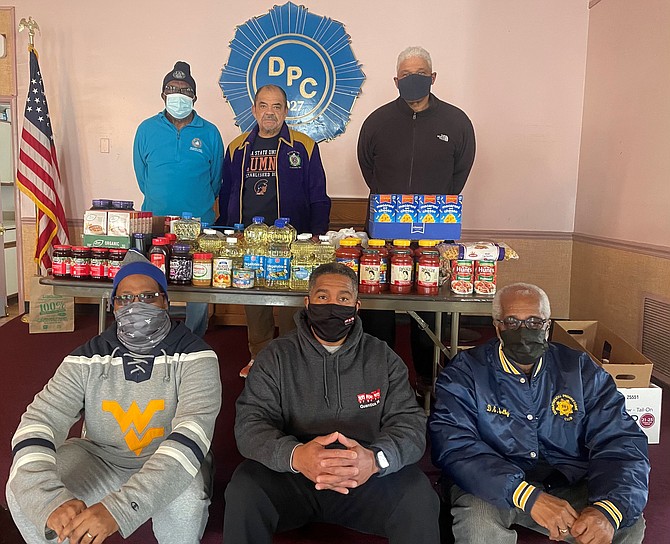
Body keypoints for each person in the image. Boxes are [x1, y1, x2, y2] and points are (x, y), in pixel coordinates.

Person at [6, 253, 222, 544]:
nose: (136, 306)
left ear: (166, 303)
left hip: (167, 460)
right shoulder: (86, 357)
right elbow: (39, 421)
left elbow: (191, 437)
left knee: (187, 500)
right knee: (22, 491)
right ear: (113, 305)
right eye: (125, 299)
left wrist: (120, 509)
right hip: (100, 457)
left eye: (148, 296)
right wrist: (48, 500)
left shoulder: (198, 356)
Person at [223, 262, 440, 543]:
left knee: (418, 494)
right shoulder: (275, 356)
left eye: (343, 299)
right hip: (294, 474)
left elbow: (410, 424)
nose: (332, 306)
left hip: (364, 476)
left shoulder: (382, 357)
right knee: (244, 488)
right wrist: (295, 456)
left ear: (357, 306)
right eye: (323, 297)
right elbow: (250, 425)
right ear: (307, 302)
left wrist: (375, 460)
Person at [428, 283, 649, 544]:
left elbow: (620, 441)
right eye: (512, 322)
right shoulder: (465, 373)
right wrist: (526, 496)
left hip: (568, 480)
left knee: (625, 525)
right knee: (478, 526)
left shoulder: (579, 370)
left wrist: (607, 510)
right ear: (497, 325)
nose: (524, 331)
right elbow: (454, 446)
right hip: (492, 487)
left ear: (547, 325)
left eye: (534, 321)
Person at [357, 46, 476, 392]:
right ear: (396, 80)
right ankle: (381, 380)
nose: (414, 80)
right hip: (384, 235)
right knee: (378, 308)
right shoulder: (376, 122)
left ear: (433, 78)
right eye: (407, 75)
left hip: (434, 236)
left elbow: (459, 175)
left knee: (430, 306)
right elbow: (369, 169)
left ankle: (427, 377)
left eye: (421, 74)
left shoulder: (456, 122)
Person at [217, 84, 331, 378]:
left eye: (277, 106)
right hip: (250, 242)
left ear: (286, 111)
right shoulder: (237, 147)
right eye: (264, 106)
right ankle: (260, 358)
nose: (270, 112)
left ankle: (293, 360)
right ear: (254, 110)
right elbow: (227, 191)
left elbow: (318, 194)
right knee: (256, 302)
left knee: (291, 302)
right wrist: (231, 231)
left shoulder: (304, 146)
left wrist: (317, 233)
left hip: (293, 243)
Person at [133, 60, 224, 337]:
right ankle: (155, 332)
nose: (178, 95)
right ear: (163, 95)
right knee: (155, 280)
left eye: (185, 90)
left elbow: (216, 179)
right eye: (172, 89)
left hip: (199, 223)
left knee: (199, 281)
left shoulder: (210, 132)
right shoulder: (146, 129)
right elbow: (142, 176)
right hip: (156, 221)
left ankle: (194, 337)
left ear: (194, 97)